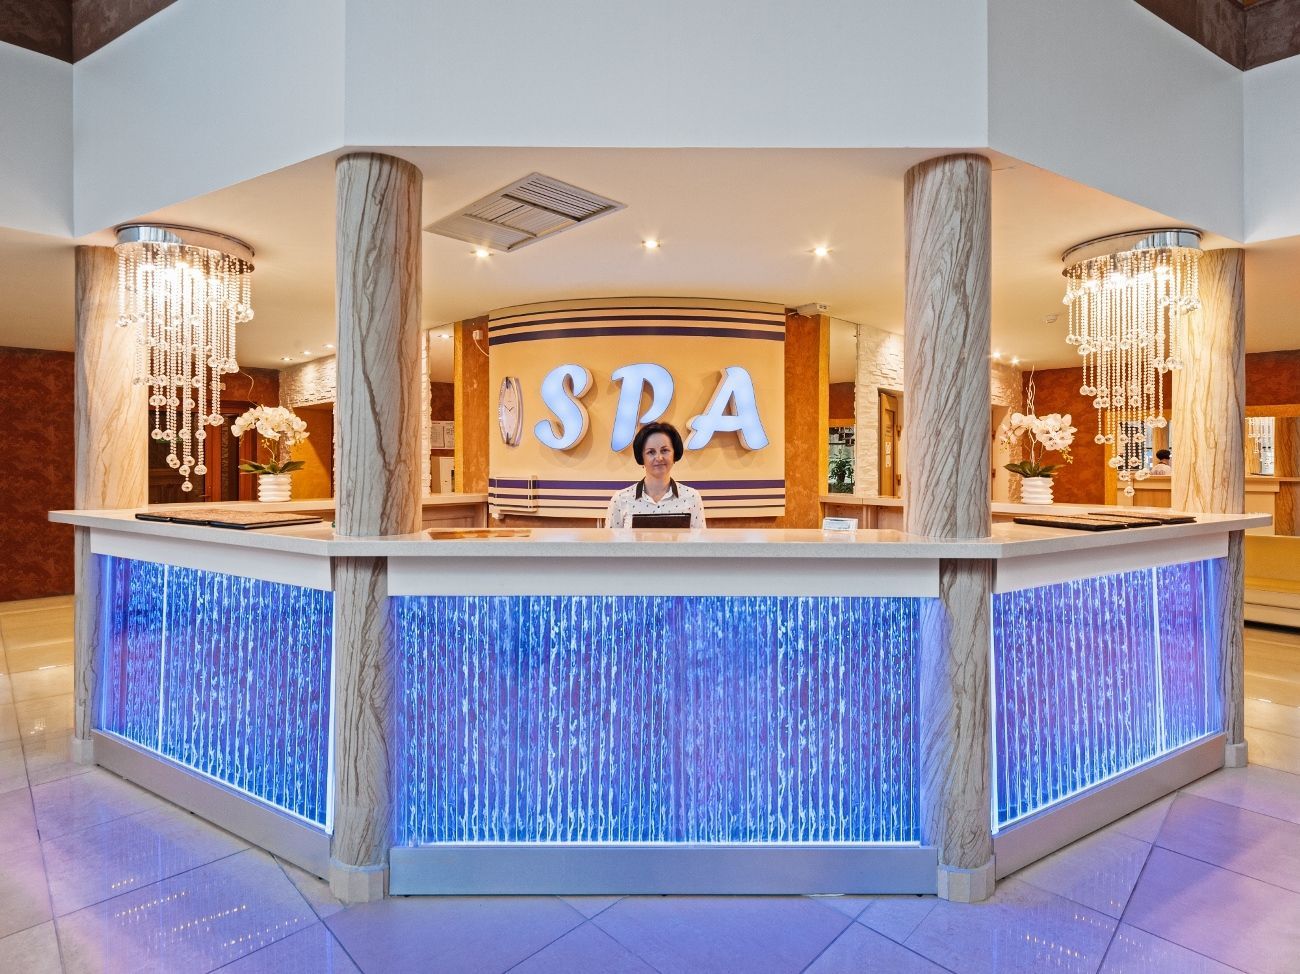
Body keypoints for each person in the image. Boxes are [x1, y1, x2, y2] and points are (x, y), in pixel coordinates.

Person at [604, 421, 707, 529]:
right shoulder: (620, 499)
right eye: (651, 452)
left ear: (674, 454)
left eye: (664, 450)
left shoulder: (692, 497)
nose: (659, 458)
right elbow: (611, 540)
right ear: (641, 457)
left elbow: (700, 540)